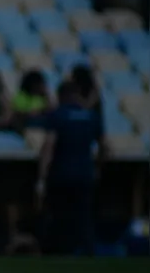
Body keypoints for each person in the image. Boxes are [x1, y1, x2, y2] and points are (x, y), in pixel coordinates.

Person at [37, 81, 107, 255]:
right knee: (84, 216)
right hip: (85, 173)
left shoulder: (58, 115)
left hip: (61, 173)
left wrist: (42, 177)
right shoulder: (91, 116)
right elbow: (105, 147)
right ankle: (88, 253)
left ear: (62, 96)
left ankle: (59, 253)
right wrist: (97, 167)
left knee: (59, 215)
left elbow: (49, 147)